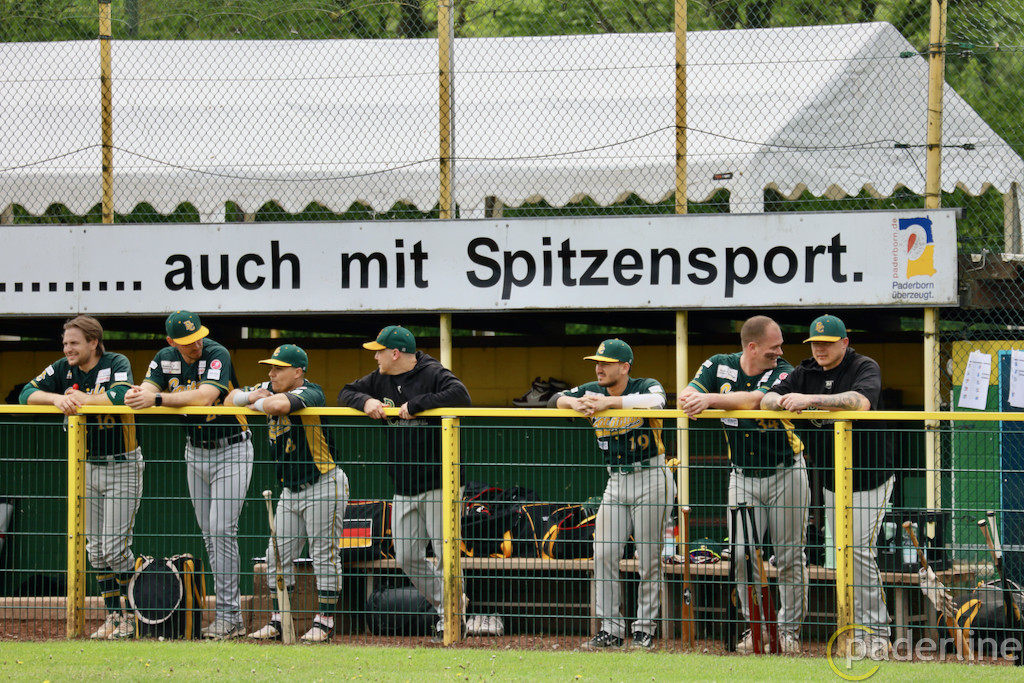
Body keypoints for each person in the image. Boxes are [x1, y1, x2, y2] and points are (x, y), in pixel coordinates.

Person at [760, 313, 894, 658]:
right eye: (815, 343)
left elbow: (861, 402)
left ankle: (877, 635)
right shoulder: (804, 372)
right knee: (845, 555)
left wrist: (810, 400)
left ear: (844, 342)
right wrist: (784, 401)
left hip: (872, 476)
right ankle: (857, 632)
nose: (820, 349)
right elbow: (767, 400)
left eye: (827, 343)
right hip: (835, 480)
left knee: (858, 551)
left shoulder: (864, 365)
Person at [677, 315, 808, 655]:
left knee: (789, 555)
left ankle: (788, 632)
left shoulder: (784, 371)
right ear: (752, 346)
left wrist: (709, 400)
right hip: (743, 475)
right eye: (773, 347)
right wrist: (692, 398)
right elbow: (687, 393)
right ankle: (756, 629)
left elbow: (754, 401)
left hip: (785, 472)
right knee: (741, 553)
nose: (780, 352)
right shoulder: (718, 365)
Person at [124, 311, 253, 640]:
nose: (195, 344)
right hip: (195, 451)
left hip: (232, 447)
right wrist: (139, 394)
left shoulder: (216, 352)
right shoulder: (164, 358)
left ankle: (229, 616)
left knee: (222, 531)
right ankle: (228, 616)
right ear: (171, 341)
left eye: (197, 337)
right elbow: (145, 390)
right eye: (186, 341)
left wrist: (156, 398)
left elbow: (206, 396)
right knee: (210, 535)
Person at [338, 325, 472, 641]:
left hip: (441, 482)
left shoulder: (432, 372)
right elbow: (345, 391)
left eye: (379, 351)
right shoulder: (379, 378)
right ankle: (450, 604)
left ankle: (451, 619)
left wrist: (416, 405)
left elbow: (461, 396)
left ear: (395, 353)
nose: (375, 357)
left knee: (446, 555)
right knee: (407, 556)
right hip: (403, 484)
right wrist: (364, 401)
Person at [20, 316, 144, 640]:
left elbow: (121, 395)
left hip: (122, 464)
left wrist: (81, 399)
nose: (67, 349)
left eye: (74, 343)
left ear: (93, 342)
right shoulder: (63, 368)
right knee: (96, 550)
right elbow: (26, 393)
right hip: (86, 466)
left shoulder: (115, 361)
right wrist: (57, 398)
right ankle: (114, 616)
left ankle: (134, 617)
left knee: (115, 548)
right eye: (65, 343)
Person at [551, 339, 672, 650]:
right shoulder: (592, 389)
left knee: (648, 558)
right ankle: (611, 629)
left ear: (625, 367)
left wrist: (610, 404)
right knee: (604, 553)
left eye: (605, 363)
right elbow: (554, 399)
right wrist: (573, 404)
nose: (599, 368)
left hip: (651, 475)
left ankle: (644, 630)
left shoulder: (644, 385)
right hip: (615, 481)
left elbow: (658, 402)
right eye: (597, 362)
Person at [230, 344, 350, 643]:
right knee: (276, 555)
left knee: (323, 555)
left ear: (298, 372)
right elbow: (231, 398)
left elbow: (278, 407)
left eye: (278, 368)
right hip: (290, 489)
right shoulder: (268, 388)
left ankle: (324, 621)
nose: (272, 373)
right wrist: (250, 397)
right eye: (270, 368)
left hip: (323, 482)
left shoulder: (311, 391)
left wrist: (257, 401)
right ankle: (279, 619)